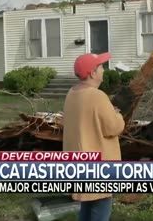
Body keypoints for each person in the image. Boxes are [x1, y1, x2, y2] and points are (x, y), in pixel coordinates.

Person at [63, 52, 125, 221]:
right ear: (92, 73)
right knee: (101, 207)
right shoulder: (97, 96)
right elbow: (113, 127)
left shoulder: (71, 93)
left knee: (86, 206)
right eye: (101, 67)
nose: (104, 70)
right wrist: (118, 115)